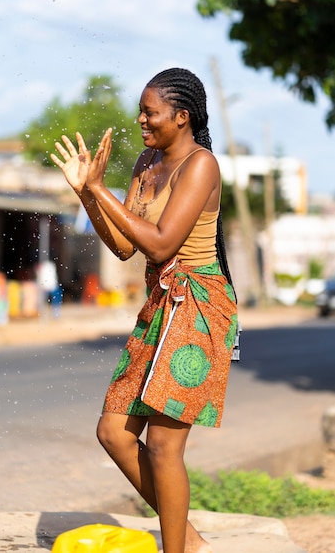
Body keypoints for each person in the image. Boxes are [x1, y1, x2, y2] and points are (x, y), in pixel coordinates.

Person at [51, 67, 238, 553]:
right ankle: (189, 538)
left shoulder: (201, 166)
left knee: (162, 446)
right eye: (141, 110)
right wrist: (86, 192)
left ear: (181, 117)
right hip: (162, 304)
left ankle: (176, 548)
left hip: (198, 307)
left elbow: (160, 244)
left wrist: (99, 189)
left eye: (149, 112)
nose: (140, 119)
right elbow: (123, 247)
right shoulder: (146, 161)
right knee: (113, 431)